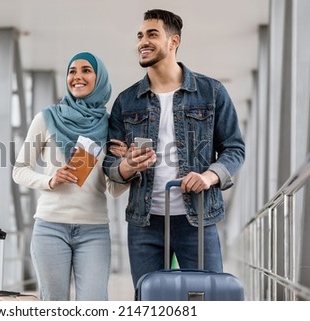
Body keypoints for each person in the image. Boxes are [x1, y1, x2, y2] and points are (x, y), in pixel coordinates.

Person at [102, 9, 246, 288]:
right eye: (140, 36)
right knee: (149, 304)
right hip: (144, 223)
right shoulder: (126, 101)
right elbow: (110, 162)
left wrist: (209, 176)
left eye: (152, 34)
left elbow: (234, 148)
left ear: (173, 41)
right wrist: (125, 167)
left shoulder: (212, 92)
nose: (143, 41)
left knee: (205, 301)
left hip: (198, 221)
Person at [13, 52, 127, 300]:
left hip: (94, 230)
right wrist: (50, 181)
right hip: (50, 227)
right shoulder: (46, 118)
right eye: (72, 71)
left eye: (86, 70)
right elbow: (19, 169)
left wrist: (127, 167)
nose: (77, 76)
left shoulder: (109, 126)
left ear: (100, 79)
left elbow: (113, 189)